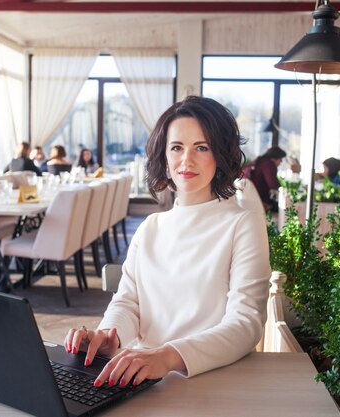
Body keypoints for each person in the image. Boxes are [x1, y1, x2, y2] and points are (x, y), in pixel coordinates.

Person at [65, 95, 271, 388]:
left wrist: (169, 356)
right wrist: (108, 336)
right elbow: (127, 302)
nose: (186, 160)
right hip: (140, 377)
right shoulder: (151, 227)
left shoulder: (242, 223)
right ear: (164, 156)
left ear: (221, 154)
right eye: (176, 147)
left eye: (202, 147)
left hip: (207, 380)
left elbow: (245, 324)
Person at [244, 146, 287, 213]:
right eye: (281, 159)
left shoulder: (260, 161)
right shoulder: (268, 164)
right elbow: (273, 184)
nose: (281, 162)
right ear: (275, 157)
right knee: (287, 208)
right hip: (261, 201)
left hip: (250, 200)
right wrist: (285, 189)